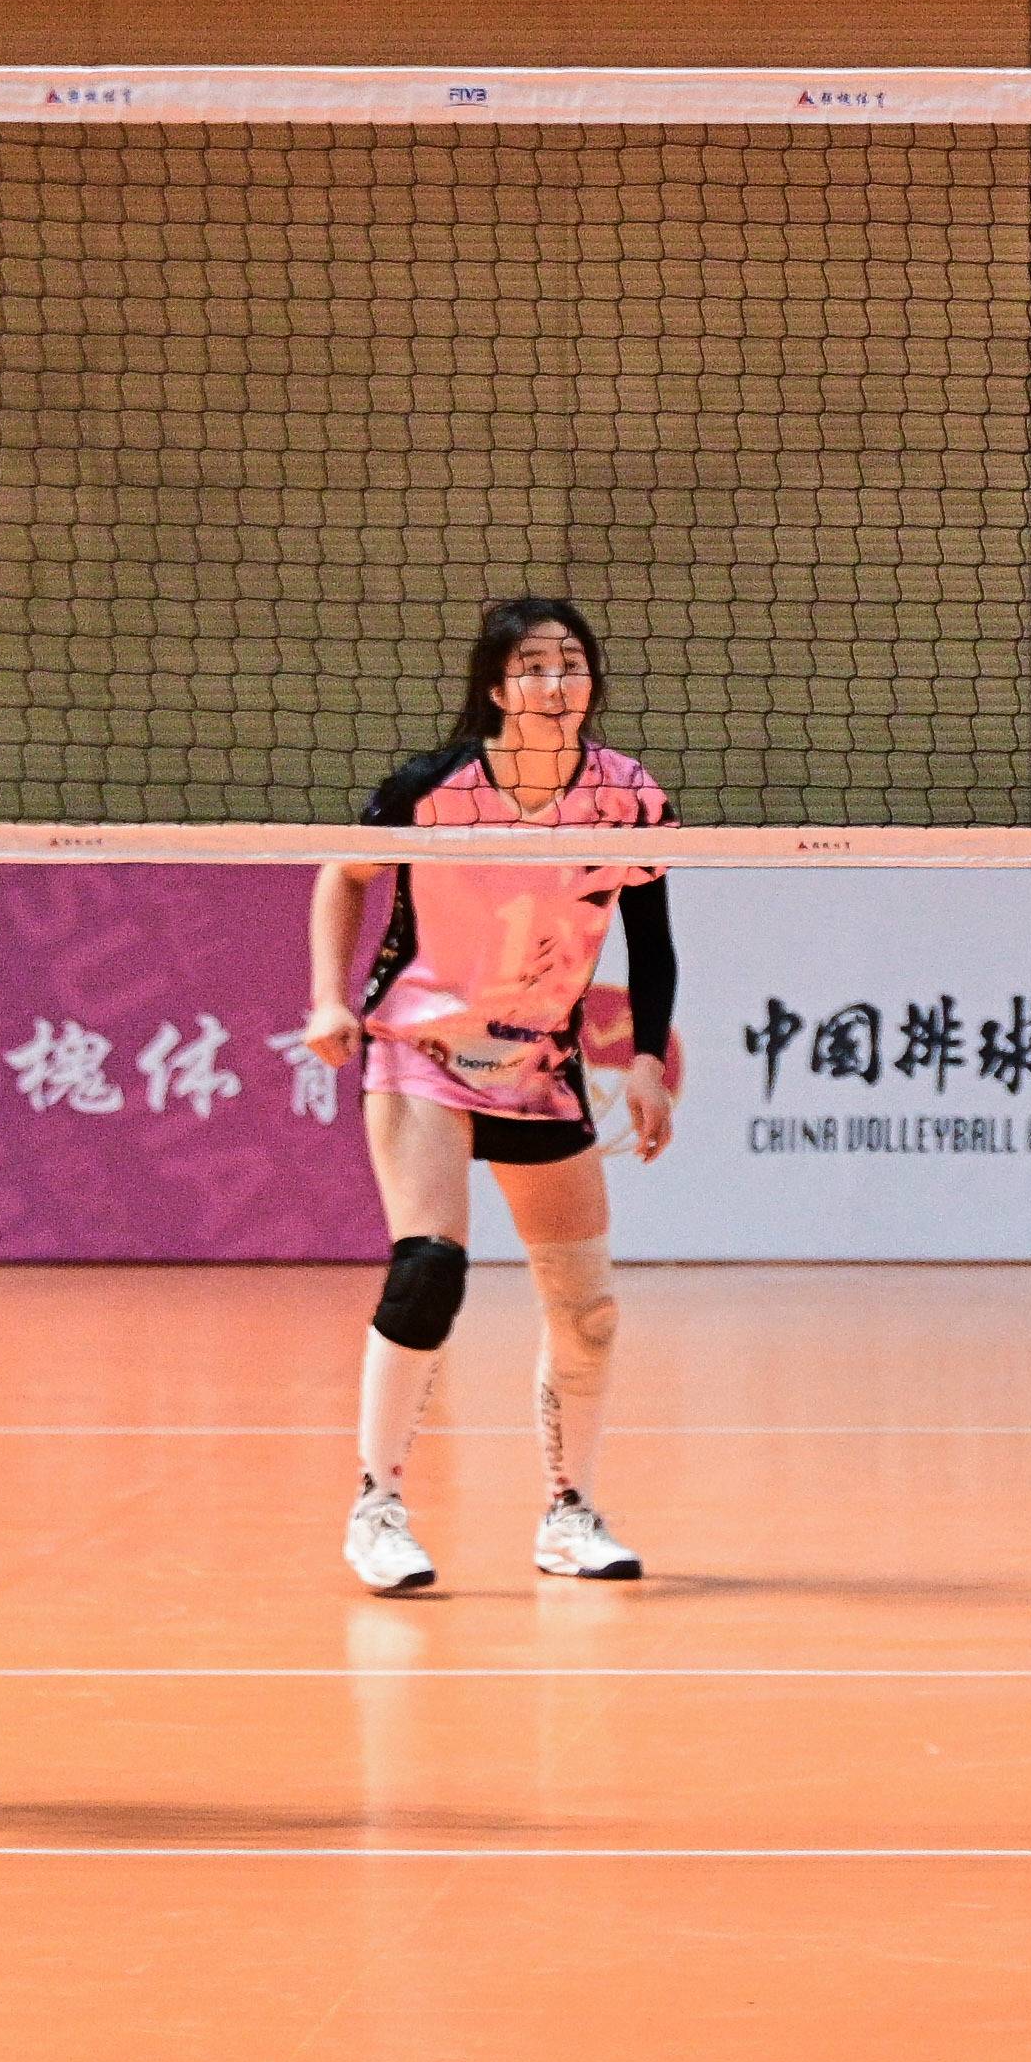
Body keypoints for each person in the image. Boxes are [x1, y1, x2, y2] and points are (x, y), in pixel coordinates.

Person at [298, 598, 680, 1595]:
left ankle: (568, 1511)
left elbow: (650, 934)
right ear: (498, 689)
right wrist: (329, 997)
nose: (556, 683)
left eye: (572, 664)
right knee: (430, 1268)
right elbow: (342, 876)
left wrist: (645, 1058)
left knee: (586, 1307)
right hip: (419, 1048)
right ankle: (377, 1505)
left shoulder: (627, 795)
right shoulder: (433, 790)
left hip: (539, 1064)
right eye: (533, 666)